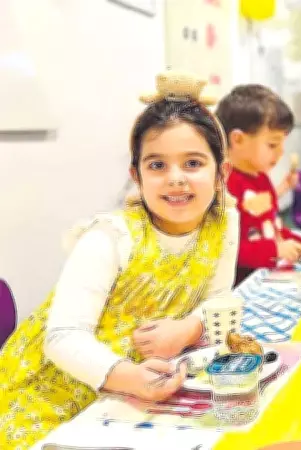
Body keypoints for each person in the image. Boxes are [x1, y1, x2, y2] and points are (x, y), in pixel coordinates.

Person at [0, 71, 240, 448]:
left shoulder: (224, 222)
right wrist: (128, 377)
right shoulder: (110, 237)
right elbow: (62, 338)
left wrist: (189, 329)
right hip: (55, 391)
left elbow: (221, 295)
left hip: (143, 390)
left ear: (222, 171)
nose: (176, 179)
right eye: (157, 165)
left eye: (193, 163)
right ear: (137, 175)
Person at [216, 85, 301, 285]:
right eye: (272, 145)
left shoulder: (261, 178)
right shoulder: (224, 185)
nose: (281, 152)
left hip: (268, 275)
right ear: (238, 139)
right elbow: (225, 249)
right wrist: (274, 250)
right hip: (241, 287)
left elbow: (271, 227)